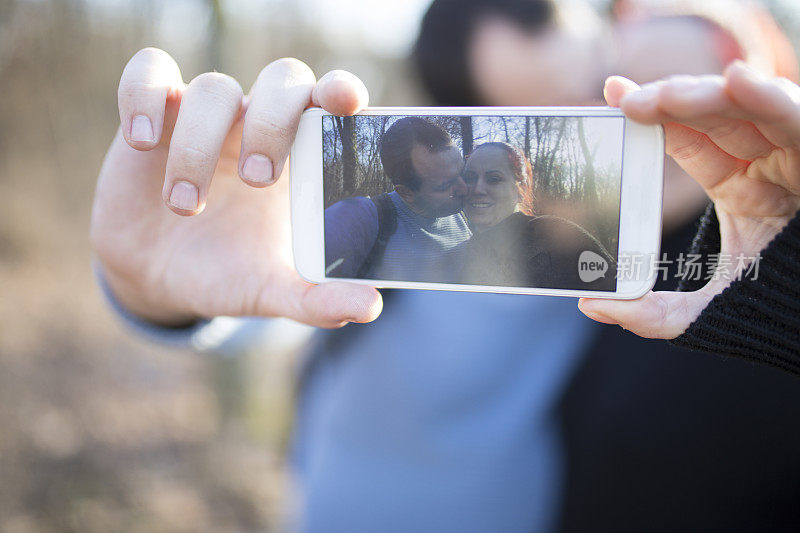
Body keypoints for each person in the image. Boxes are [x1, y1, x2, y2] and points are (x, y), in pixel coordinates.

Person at [91, 1, 800, 532]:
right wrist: (157, 288)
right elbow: (287, 304)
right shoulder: (445, 241)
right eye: (518, 117)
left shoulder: (704, 287)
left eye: (594, 98)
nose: (648, 138)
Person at [324, 117, 471, 282]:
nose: (465, 188)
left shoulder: (472, 212)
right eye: (445, 186)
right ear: (405, 192)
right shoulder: (364, 217)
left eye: (464, 173)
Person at [459, 142, 615, 290]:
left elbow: (615, 290)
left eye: (494, 179)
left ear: (522, 189)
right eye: (470, 178)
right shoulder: (461, 254)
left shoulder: (554, 237)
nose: (478, 189)